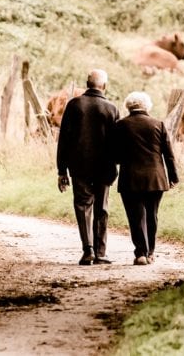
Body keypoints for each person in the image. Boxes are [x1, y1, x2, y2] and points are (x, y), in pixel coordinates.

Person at [57, 69, 119, 265]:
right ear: (105, 86)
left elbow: (63, 140)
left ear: (86, 84)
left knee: (83, 206)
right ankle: (101, 253)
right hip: (105, 167)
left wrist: (62, 170)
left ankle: (88, 250)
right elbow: (117, 143)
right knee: (102, 208)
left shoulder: (74, 105)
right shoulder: (112, 108)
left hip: (79, 166)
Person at [113, 91, 179, 265]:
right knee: (152, 215)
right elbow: (169, 154)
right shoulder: (158, 125)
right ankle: (150, 252)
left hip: (130, 178)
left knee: (135, 216)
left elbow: (115, 154)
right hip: (155, 178)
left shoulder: (120, 125)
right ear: (147, 106)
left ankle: (140, 253)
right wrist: (173, 177)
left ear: (128, 106)